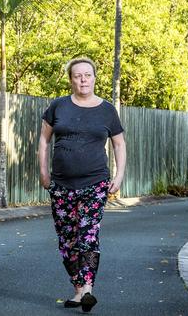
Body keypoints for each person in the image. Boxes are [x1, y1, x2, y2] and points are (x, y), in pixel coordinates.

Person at [38, 57, 127, 313]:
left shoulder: (107, 110)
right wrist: (44, 174)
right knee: (67, 239)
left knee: (88, 234)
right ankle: (78, 290)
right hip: (61, 185)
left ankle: (88, 289)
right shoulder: (58, 107)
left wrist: (119, 176)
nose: (83, 80)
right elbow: (44, 141)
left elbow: (119, 144)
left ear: (94, 77)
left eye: (87, 75)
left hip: (95, 183)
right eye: (78, 76)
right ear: (71, 80)